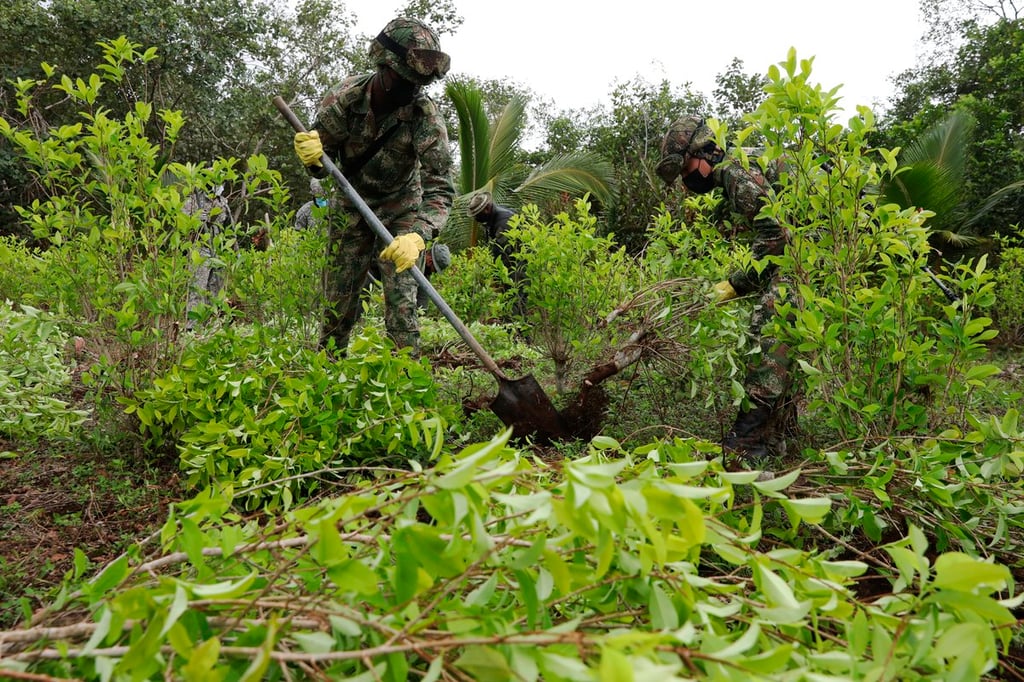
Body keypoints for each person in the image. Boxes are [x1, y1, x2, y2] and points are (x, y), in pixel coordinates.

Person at [292, 16, 454, 356]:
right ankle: (328, 368)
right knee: (340, 298)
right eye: (405, 80)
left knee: (403, 303)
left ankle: (406, 375)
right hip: (351, 205)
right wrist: (313, 160)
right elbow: (324, 168)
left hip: (402, 209)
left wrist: (418, 235)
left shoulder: (425, 116)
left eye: (419, 83)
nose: (412, 89)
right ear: (384, 66)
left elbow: (440, 188)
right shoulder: (343, 102)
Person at [656, 115, 797, 464]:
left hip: (819, 251)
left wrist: (735, 284)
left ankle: (748, 441)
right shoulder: (743, 163)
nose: (687, 180)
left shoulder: (737, 171)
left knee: (771, 327)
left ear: (705, 153)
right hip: (819, 251)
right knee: (794, 336)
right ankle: (778, 437)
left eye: (686, 168)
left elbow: (778, 238)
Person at [467, 191, 526, 315]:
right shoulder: (495, 218)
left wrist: (498, 278)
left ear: (487, 209)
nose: (477, 219)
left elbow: (505, 254)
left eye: (478, 214)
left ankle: (517, 333)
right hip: (512, 269)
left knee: (516, 304)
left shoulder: (503, 222)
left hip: (516, 269)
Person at [184, 184, 231, 330]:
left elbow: (227, 226)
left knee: (215, 287)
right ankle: (192, 326)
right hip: (199, 248)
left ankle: (212, 323)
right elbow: (183, 225)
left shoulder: (222, 202)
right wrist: (197, 219)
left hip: (217, 249)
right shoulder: (192, 201)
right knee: (198, 287)